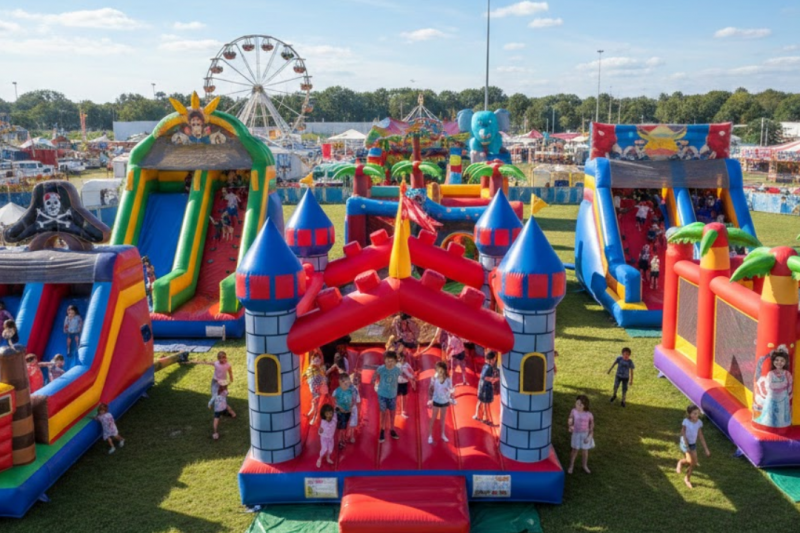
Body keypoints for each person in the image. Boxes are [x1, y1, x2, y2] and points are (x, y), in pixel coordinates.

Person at [754, 348, 793, 428]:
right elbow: (769, 385)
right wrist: (780, 387)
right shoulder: (771, 374)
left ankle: (781, 424)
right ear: (773, 361)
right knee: (771, 414)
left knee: (782, 414)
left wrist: (786, 393)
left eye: (782, 361)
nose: (779, 362)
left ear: (785, 362)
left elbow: (790, 384)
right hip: (773, 398)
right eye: (777, 360)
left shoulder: (787, 374)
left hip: (783, 398)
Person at [371, 350, 402, 443]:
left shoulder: (397, 370)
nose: (389, 363)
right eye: (388, 361)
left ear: (395, 362)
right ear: (384, 360)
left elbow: (403, 376)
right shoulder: (381, 368)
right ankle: (382, 430)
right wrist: (373, 381)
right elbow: (376, 373)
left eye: (392, 361)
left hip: (392, 395)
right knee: (383, 413)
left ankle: (392, 429)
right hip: (382, 395)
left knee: (392, 413)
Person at [677, 404, 710, 489]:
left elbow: (700, 435)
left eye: (697, 413)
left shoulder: (699, 423)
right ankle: (680, 462)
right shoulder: (686, 421)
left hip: (693, 444)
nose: (696, 415)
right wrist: (687, 445)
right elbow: (683, 433)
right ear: (689, 414)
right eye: (694, 413)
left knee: (694, 462)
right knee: (690, 461)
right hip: (685, 443)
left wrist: (706, 449)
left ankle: (687, 478)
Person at [427, 361, 454, 444]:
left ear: (445, 371)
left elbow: (451, 390)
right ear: (436, 371)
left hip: (444, 401)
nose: (440, 372)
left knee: (443, 418)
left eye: (442, 370)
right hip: (436, 400)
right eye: (438, 370)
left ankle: (442, 434)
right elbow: (430, 390)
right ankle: (430, 435)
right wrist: (430, 399)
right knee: (433, 418)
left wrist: (451, 397)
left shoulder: (448, 380)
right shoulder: (434, 379)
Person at [567, 394, 595, 474]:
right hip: (576, 433)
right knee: (575, 450)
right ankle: (571, 466)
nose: (578, 406)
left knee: (585, 451)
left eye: (580, 405)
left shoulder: (589, 414)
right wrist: (570, 425)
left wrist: (590, 434)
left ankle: (584, 465)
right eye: (577, 403)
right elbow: (570, 418)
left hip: (585, 434)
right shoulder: (574, 411)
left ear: (585, 406)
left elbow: (591, 424)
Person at [474, 351, 499, 425]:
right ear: (491, 360)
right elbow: (485, 377)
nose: (494, 361)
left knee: (480, 401)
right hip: (485, 387)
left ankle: (477, 415)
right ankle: (485, 418)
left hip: (482, 386)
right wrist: (494, 379)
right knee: (485, 403)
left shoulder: (486, 366)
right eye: (494, 360)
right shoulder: (488, 367)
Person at [304, 350, 327, 425]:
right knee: (313, 403)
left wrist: (322, 384)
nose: (316, 360)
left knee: (316, 403)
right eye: (315, 359)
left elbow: (323, 379)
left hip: (316, 390)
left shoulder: (319, 371)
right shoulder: (310, 369)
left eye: (318, 359)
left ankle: (314, 417)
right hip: (313, 390)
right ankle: (310, 413)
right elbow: (306, 374)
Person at [332, 373, 355, 449]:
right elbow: (333, 400)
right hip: (340, 411)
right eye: (345, 382)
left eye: (348, 381)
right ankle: (340, 441)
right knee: (341, 426)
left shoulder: (350, 391)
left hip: (347, 410)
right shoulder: (337, 391)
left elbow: (353, 399)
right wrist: (337, 407)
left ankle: (342, 438)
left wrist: (351, 407)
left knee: (344, 426)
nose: (347, 383)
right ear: (340, 382)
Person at [396, 352, 416, 418]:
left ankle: (402, 411)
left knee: (403, 397)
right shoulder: (397, 365)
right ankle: (395, 410)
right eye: (398, 358)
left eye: (400, 358)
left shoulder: (407, 365)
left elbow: (412, 373)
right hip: (398, 382)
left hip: (404, 383)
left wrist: (411, 378)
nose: (399, 359)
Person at [348, 371, 362, 437]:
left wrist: (358, 411)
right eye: (354, 379)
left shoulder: (356, 390)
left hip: (353, 408)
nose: (355, 380)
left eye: (356, 379)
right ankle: (348, 433)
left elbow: (358, 401)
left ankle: (352, 434)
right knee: (348, 421)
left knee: (353, 422)